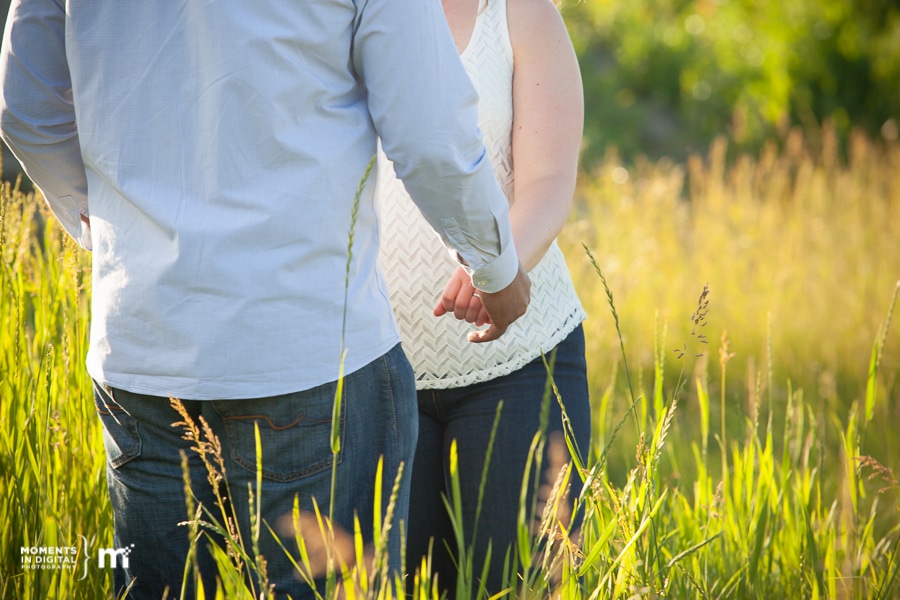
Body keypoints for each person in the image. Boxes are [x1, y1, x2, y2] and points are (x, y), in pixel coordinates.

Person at [0, 0, 531, 598]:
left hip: (141, 351)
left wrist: (116, 233)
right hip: (310, 352)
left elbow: (29, 112)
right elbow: (431, 135)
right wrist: (495, 266)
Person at [374, 0, 590, 594]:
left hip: (521, 365)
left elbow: (549, 180)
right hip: (379, 370)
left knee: (512, 585)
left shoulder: (520, 13)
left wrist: (494, 264)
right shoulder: (343, 12)